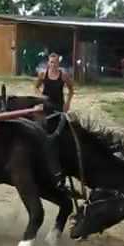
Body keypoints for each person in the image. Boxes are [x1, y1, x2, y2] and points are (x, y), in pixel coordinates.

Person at [34, 52, 75, 191]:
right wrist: (41, 97)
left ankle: (61, 167)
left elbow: (71, 90)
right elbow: (36, 87)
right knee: (41, 134)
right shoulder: (43, 74)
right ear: (48, 63)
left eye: (55, 62)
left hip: (58, 108)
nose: (53, 65)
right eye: (51, 62)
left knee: (59, 137)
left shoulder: (63, 75)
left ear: (59, 64)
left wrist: (68, 103)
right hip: (46, 108)